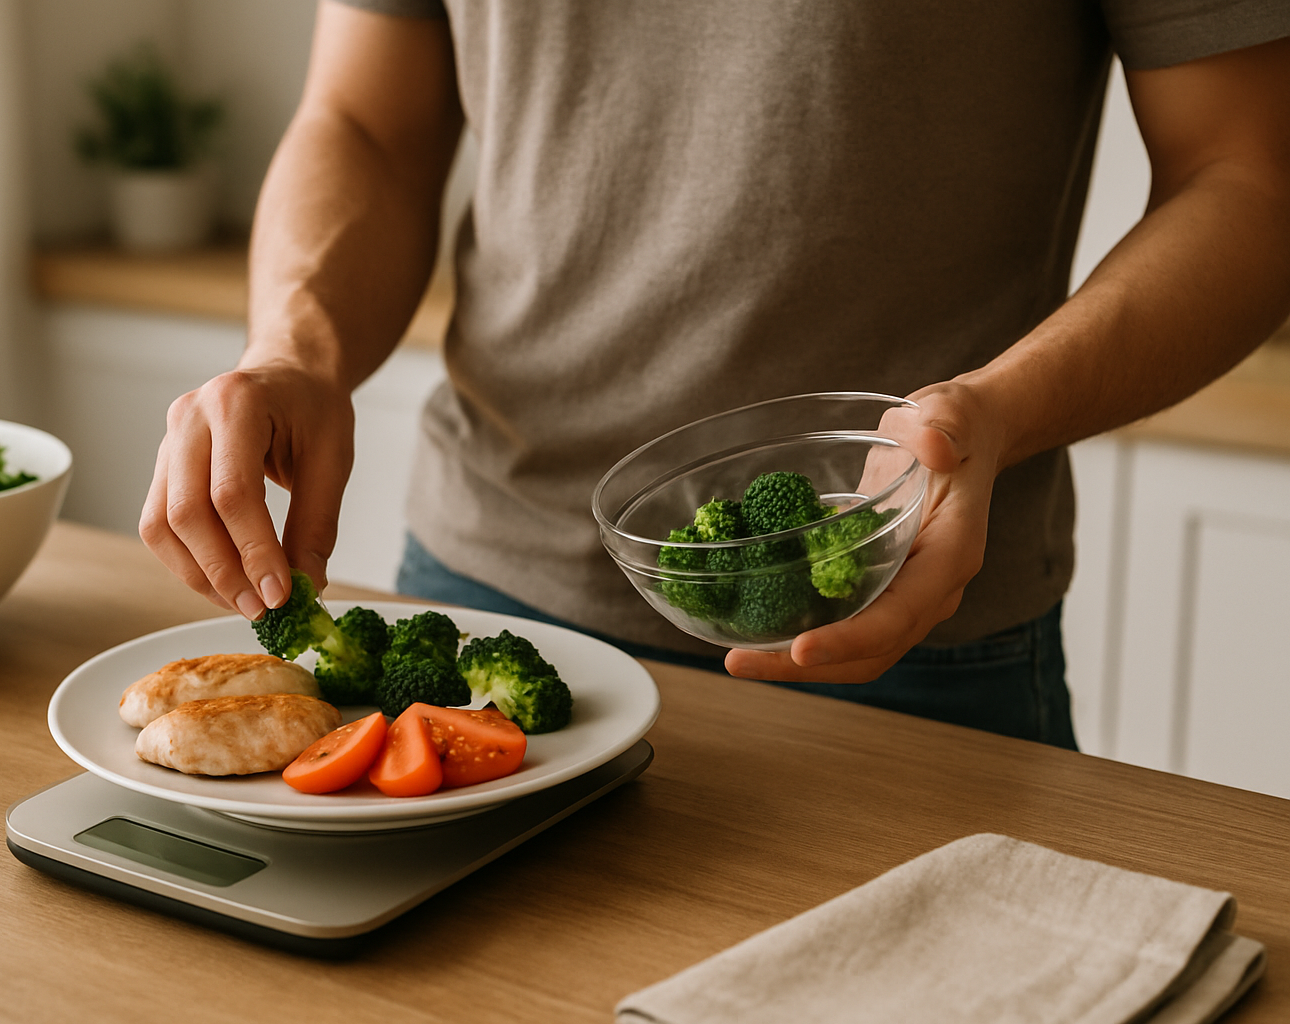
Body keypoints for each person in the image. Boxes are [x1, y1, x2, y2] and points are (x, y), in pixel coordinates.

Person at [139, 1, 1290, 748]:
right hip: (481, 593)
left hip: (901, 638)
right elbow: (365, 118)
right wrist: (294, 346)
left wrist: (994, 411)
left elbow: (1248, 175)